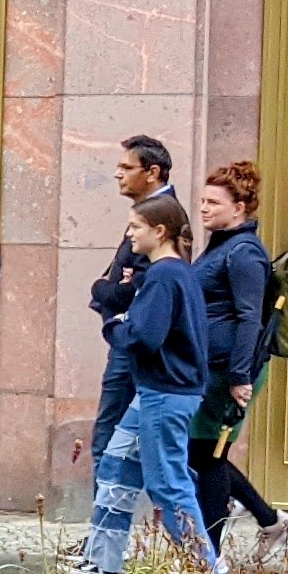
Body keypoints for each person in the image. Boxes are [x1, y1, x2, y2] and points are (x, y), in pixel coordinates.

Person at [71, 193, 219, 574]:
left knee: (166, 482)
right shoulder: (174, 273)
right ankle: (103, 559)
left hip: (165, 392)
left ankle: (204, 566)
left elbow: (144, 337)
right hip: (159, 390)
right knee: (117, 465)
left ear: (160, 231)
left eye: (136, 227)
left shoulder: (163, 276)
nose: (130, 234)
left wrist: (115, 324)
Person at [185, 162, 288, 557]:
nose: (204, 208)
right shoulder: (222, 246)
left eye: (214, 202)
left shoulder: (244, 253)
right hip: (213, 368)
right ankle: (271, 521)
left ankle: (209, 558)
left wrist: (239, 375)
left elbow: (250, 318)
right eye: (203, 201)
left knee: (208, 458)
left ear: (240, 208)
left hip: (227, 371)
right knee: (202, 454)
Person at [84, 136, 177, 464]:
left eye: (126, 167)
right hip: (130, 337)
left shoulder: (164, 215)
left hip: (135, 340)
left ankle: (106, 497)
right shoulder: (151, 211)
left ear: (152, 172)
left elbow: (133, 289)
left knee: (109, 439)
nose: (118, 174)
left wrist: (100, 287)